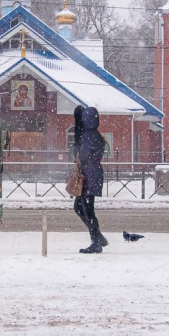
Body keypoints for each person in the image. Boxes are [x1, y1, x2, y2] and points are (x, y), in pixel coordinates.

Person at [73, 107, 108, 254]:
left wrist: (76, 150)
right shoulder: (96, 135)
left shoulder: (88, 136)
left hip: (89, 175)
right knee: (80, 207)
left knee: (87, 210)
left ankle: (96, 242)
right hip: (93, 174)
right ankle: (98, 237)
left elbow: (82, 155)